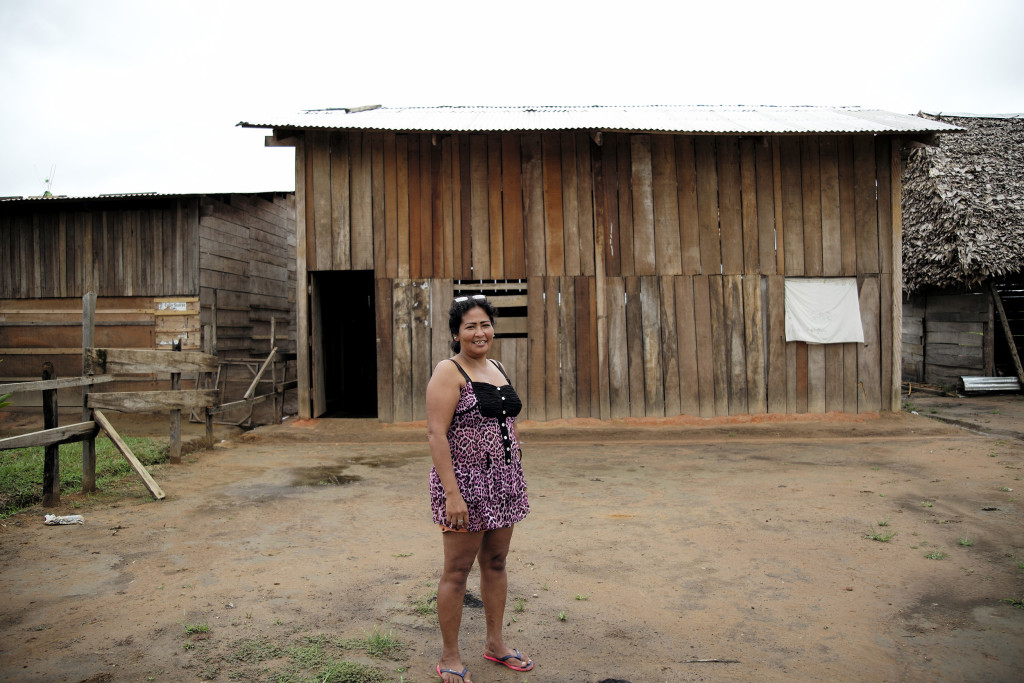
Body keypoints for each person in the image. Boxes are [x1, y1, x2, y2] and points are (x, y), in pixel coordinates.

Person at [425, 294, 533, 683]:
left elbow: (507, 422)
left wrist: (514, 464)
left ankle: (495, 644)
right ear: (456, 333)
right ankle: (450, 656)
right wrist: (453, 494)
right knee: (457, 572)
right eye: (470, 326)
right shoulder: (448, 371)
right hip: (466, 485)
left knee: (497, 564)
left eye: (484, 324)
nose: (479, 332)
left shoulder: (498, 367)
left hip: (504, 483)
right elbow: (437, 434)